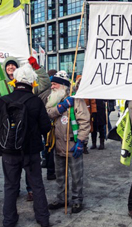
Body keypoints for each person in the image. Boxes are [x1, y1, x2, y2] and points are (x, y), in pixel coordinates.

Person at [0, 63, 51, 227]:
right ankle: (43, 219)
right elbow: (46, 127)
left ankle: (9, 220)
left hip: (9, 151)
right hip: (31, 151)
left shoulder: (4, 100)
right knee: (37, 185)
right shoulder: (36, 101)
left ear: (15, 80)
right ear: (31, 82)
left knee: (10, 186)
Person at [40, 71, 90, 214]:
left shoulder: (76, 100)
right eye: (52, 84)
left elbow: (85, 122)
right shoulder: (52, 99)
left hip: (73, 144)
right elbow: (47, 113)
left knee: (76, 176)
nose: (52, 86)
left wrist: (81, 141)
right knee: (60, 176)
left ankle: (76, 200)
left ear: (63, 86)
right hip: (57, 145)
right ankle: (61, 198)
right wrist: (60, 108)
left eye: (55, 84)